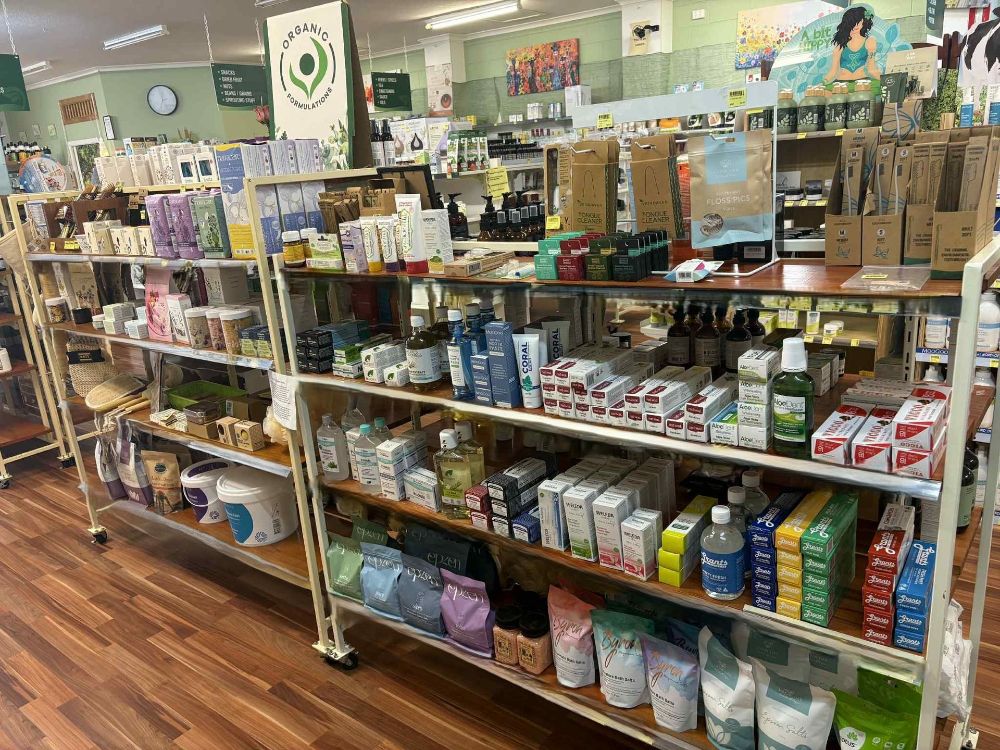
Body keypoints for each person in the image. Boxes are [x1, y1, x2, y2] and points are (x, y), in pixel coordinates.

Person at [824, 6, 881, 83]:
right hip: (841, 83)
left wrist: (883, 81)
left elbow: (871, 67)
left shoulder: (870, 41)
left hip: (862, 82)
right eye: (852, 23)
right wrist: (823, 82)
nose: (855, 26)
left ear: (863, 21)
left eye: (858, 22)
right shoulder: (841, 44)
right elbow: (833, 71)